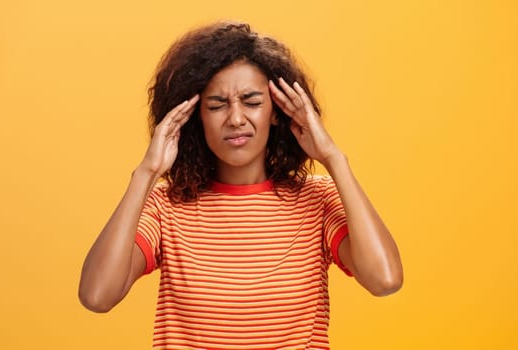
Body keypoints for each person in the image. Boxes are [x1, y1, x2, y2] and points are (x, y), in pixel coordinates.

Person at [78, 21, 403, 349]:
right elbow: (97, 295)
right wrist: (146, 173)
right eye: (217, 105)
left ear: (277, 112)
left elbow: (385, 280)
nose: (235, 118)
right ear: (196, 116)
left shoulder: (317, 200)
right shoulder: (166, 205)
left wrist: (333, 157)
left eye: (251, 102)